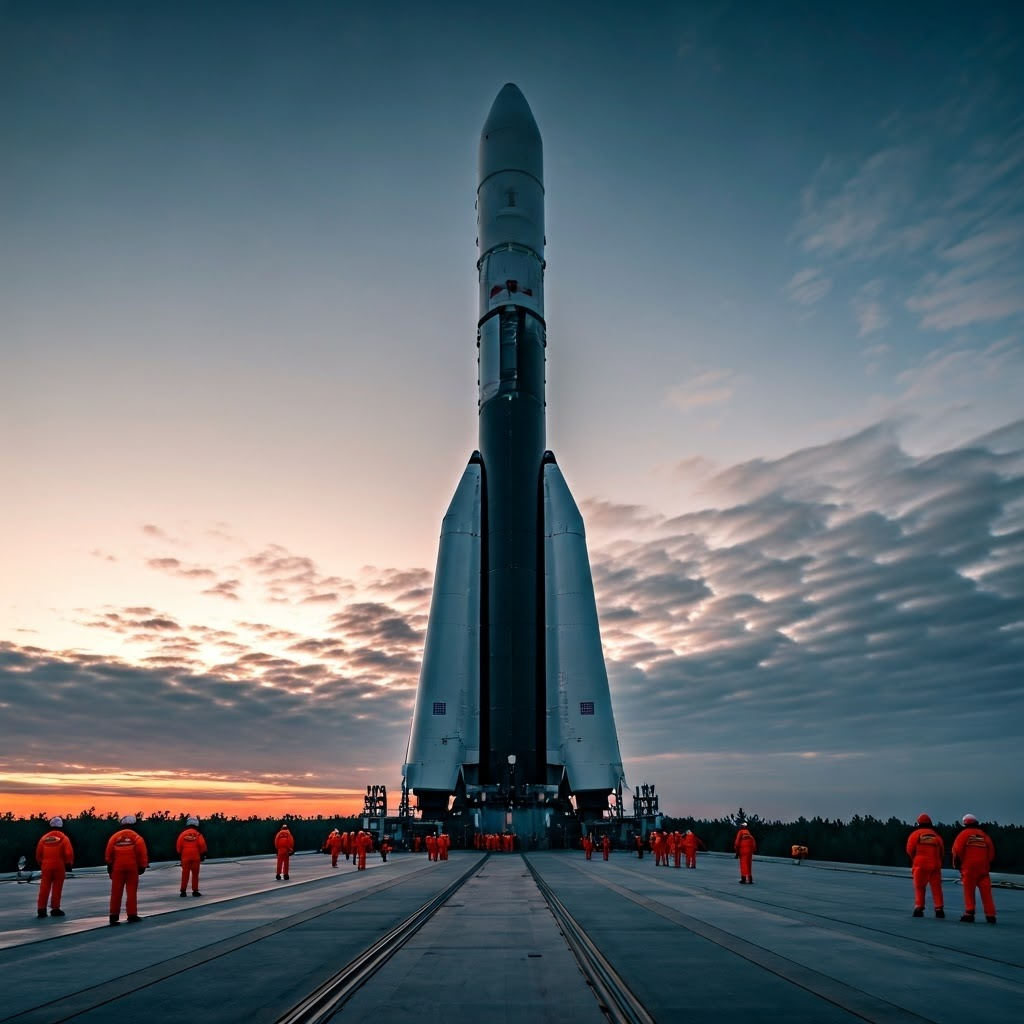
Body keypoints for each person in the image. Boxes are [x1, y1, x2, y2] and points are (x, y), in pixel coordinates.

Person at [952, 814, 997, 924]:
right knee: (986, 892)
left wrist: (958, 866)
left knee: (969, 891)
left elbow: (956, 852)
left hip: (969, 869)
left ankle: (969, 913)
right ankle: (990, 916)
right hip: (983, 869)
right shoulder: (984, 835)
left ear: (965, 823)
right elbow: (991, 853)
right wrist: (986, 864)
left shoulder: (962, 835)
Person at [106, 814, 148, 925]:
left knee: (115, 892)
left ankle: (113, 915)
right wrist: (142, 866)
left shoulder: (114, 837)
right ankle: (132, 914)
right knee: (131, 892)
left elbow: (108, 853)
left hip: (117, 869)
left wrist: (109, 865)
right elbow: (142, 853)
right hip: (132, 869)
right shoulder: (137, 837)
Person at [906, 813, 944, 918]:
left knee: (919, 887)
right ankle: (939, 909)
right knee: (936, 887)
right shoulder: (936, 835)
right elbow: (941, 851)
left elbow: (909, 849)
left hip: (920, 864)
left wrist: (915, 858)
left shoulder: (915, 834)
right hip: (935, 864)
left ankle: (919, 908)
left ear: (918, 823)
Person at [35, 816, 73, 918]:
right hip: (59, 865)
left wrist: (41, 863)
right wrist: (68, 864)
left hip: (46, 866)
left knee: (44, 887)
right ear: (61, 825)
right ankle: (55, 909)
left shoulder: (43, 839)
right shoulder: (64, 838)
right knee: (57, 887)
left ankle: (41, 909)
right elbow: (68, 853)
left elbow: (38, 854)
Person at [176, 816, 208, 897]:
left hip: (185, 857)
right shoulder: (198, 834)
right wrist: (203, 854)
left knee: (185, 874)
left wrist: (180, 854)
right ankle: (195, 891)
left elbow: (178, 845)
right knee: (195, 874)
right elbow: (202, 845)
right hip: (195, 857)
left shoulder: (182, 834)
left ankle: (183, 891)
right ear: (196, 824)